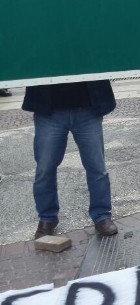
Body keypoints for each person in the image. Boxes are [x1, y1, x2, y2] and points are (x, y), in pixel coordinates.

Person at [22, 80, 118, 239]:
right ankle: (47, 218)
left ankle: (102, 215)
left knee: (97, 166)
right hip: (49, 109)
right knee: (45, 168)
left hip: (88, 107)